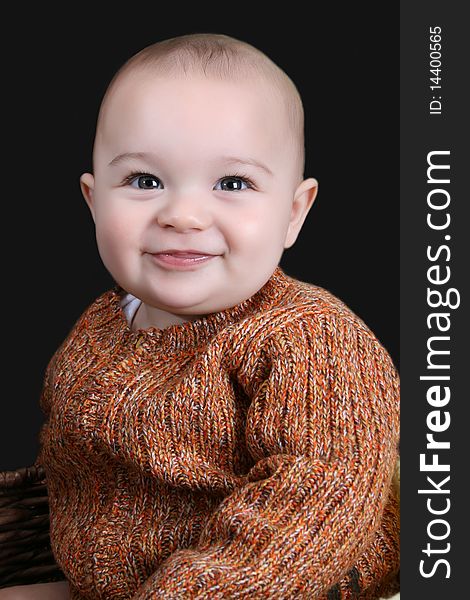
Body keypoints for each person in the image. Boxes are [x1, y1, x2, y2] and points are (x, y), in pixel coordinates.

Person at [1, 33, 400, 599]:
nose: (183, 214)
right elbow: (76, 466)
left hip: (282, 584)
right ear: (94, 202)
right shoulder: (102, 322)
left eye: (232, 183)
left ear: (293, 213)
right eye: (144, 181)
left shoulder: (311, 340)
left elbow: (313, 507)